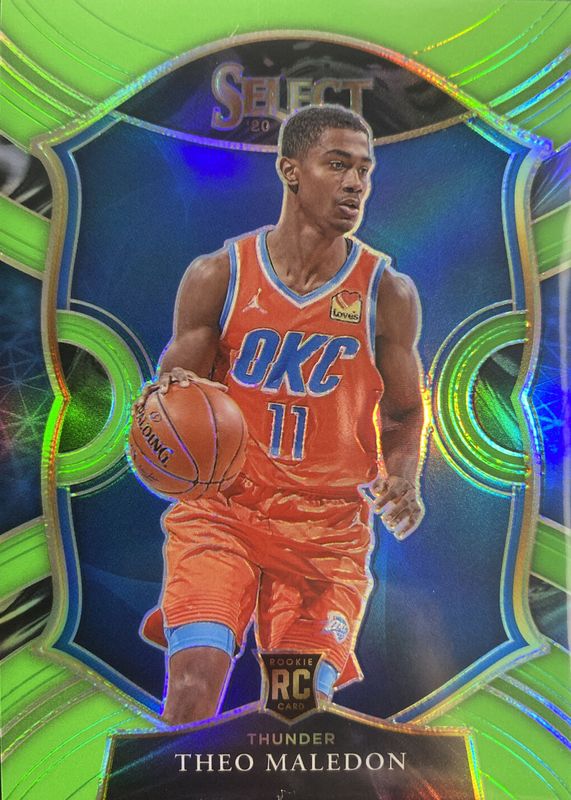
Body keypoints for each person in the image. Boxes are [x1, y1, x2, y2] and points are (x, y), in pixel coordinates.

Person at [137, 105, 425, 725]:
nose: (355, 184)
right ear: (290, 170)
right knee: (194, 683)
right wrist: (163, 422)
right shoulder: (219, 275)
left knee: (292, 713)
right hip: (225, 514)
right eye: (338, 165)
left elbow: (404, 411)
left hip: (326, 533)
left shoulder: (386, 292)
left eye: (364, 170)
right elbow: (168, 404)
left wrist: (403, 476)